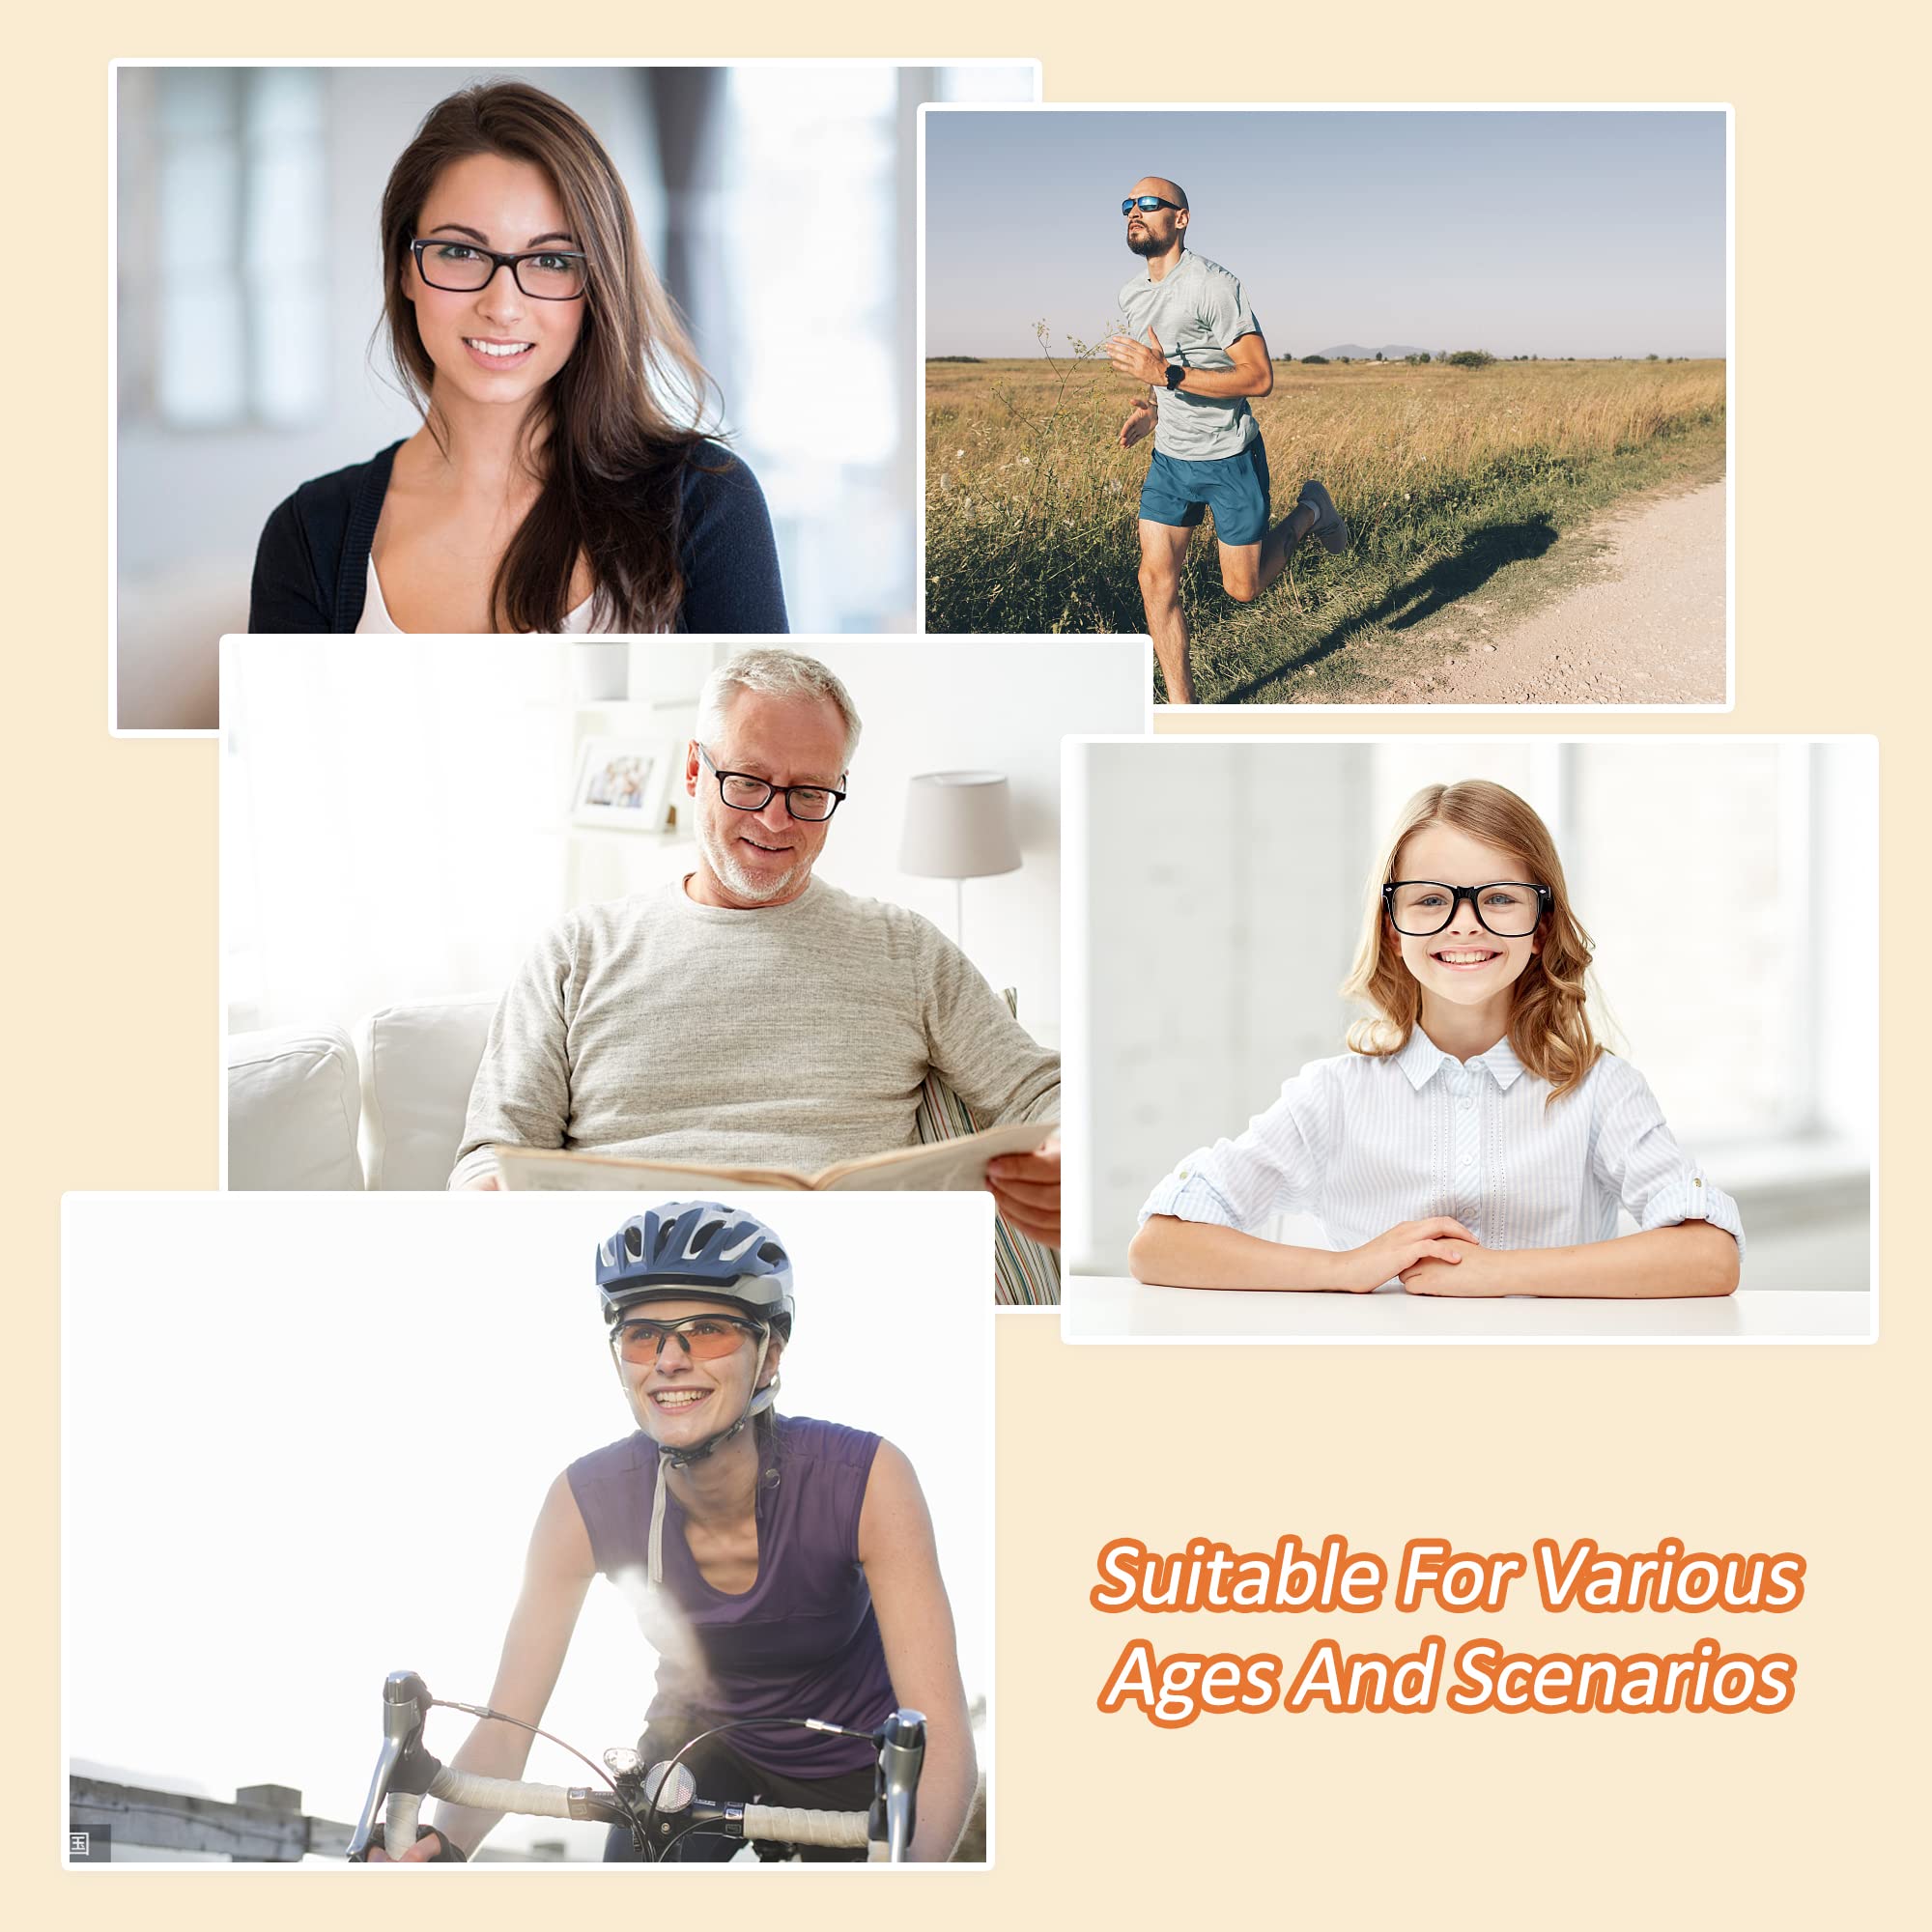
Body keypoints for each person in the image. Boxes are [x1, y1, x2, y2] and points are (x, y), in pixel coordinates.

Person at [366, 1202, 977, 1863]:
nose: (670, 1360)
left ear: (769, 1354)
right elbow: (507, 1729)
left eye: (708, 1330)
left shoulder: (867, 1481)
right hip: (694, 1750)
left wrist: (917, 1886)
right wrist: (441, 1844)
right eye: (642, 1336)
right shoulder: (583, 1502)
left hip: (850, 1759)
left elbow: (940, 1736)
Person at [452, 647, 1062, 1247]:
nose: (776, 821)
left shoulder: (906, 950)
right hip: (629, 1291)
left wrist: (1065, 1152)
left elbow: (1043, 1091)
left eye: (809, 794)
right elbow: (491, 1157)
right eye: (747, 782)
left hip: (841, 1284)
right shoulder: (577, 951)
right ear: (695, 771)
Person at [1128, 780, 1744, 1296]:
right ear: (1392, 929)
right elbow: (1159, 1245)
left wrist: (1496, 1273)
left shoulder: (1600, 1091)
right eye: (1429, 900)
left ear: (1541, 927)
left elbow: (1712, 1258)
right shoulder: (1333, 1095)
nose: (1466, 925)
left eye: (1500, 898)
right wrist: (1347, 1270)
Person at [250, 81, 785, 635]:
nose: (502, 307)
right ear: (405, 267)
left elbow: (772, 723)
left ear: (597, 283)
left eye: (550, 261)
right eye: (460, 252)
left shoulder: (708, 504)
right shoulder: (310, 534)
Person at [1103, 177, 1348, 705]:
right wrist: (1151, 411)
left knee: (1244, 588)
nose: (1135, 212)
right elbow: (1157, 368)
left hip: (1229, 457)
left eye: (1150, 204)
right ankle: (1181, 711)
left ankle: (1311, 510)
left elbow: (1259, 377)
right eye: (1129, 205)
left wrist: (1167, 376)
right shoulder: (1132, 294)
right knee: (1155, 582)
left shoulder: (1214, 286)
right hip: (1171, 461)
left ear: (1181, 218)